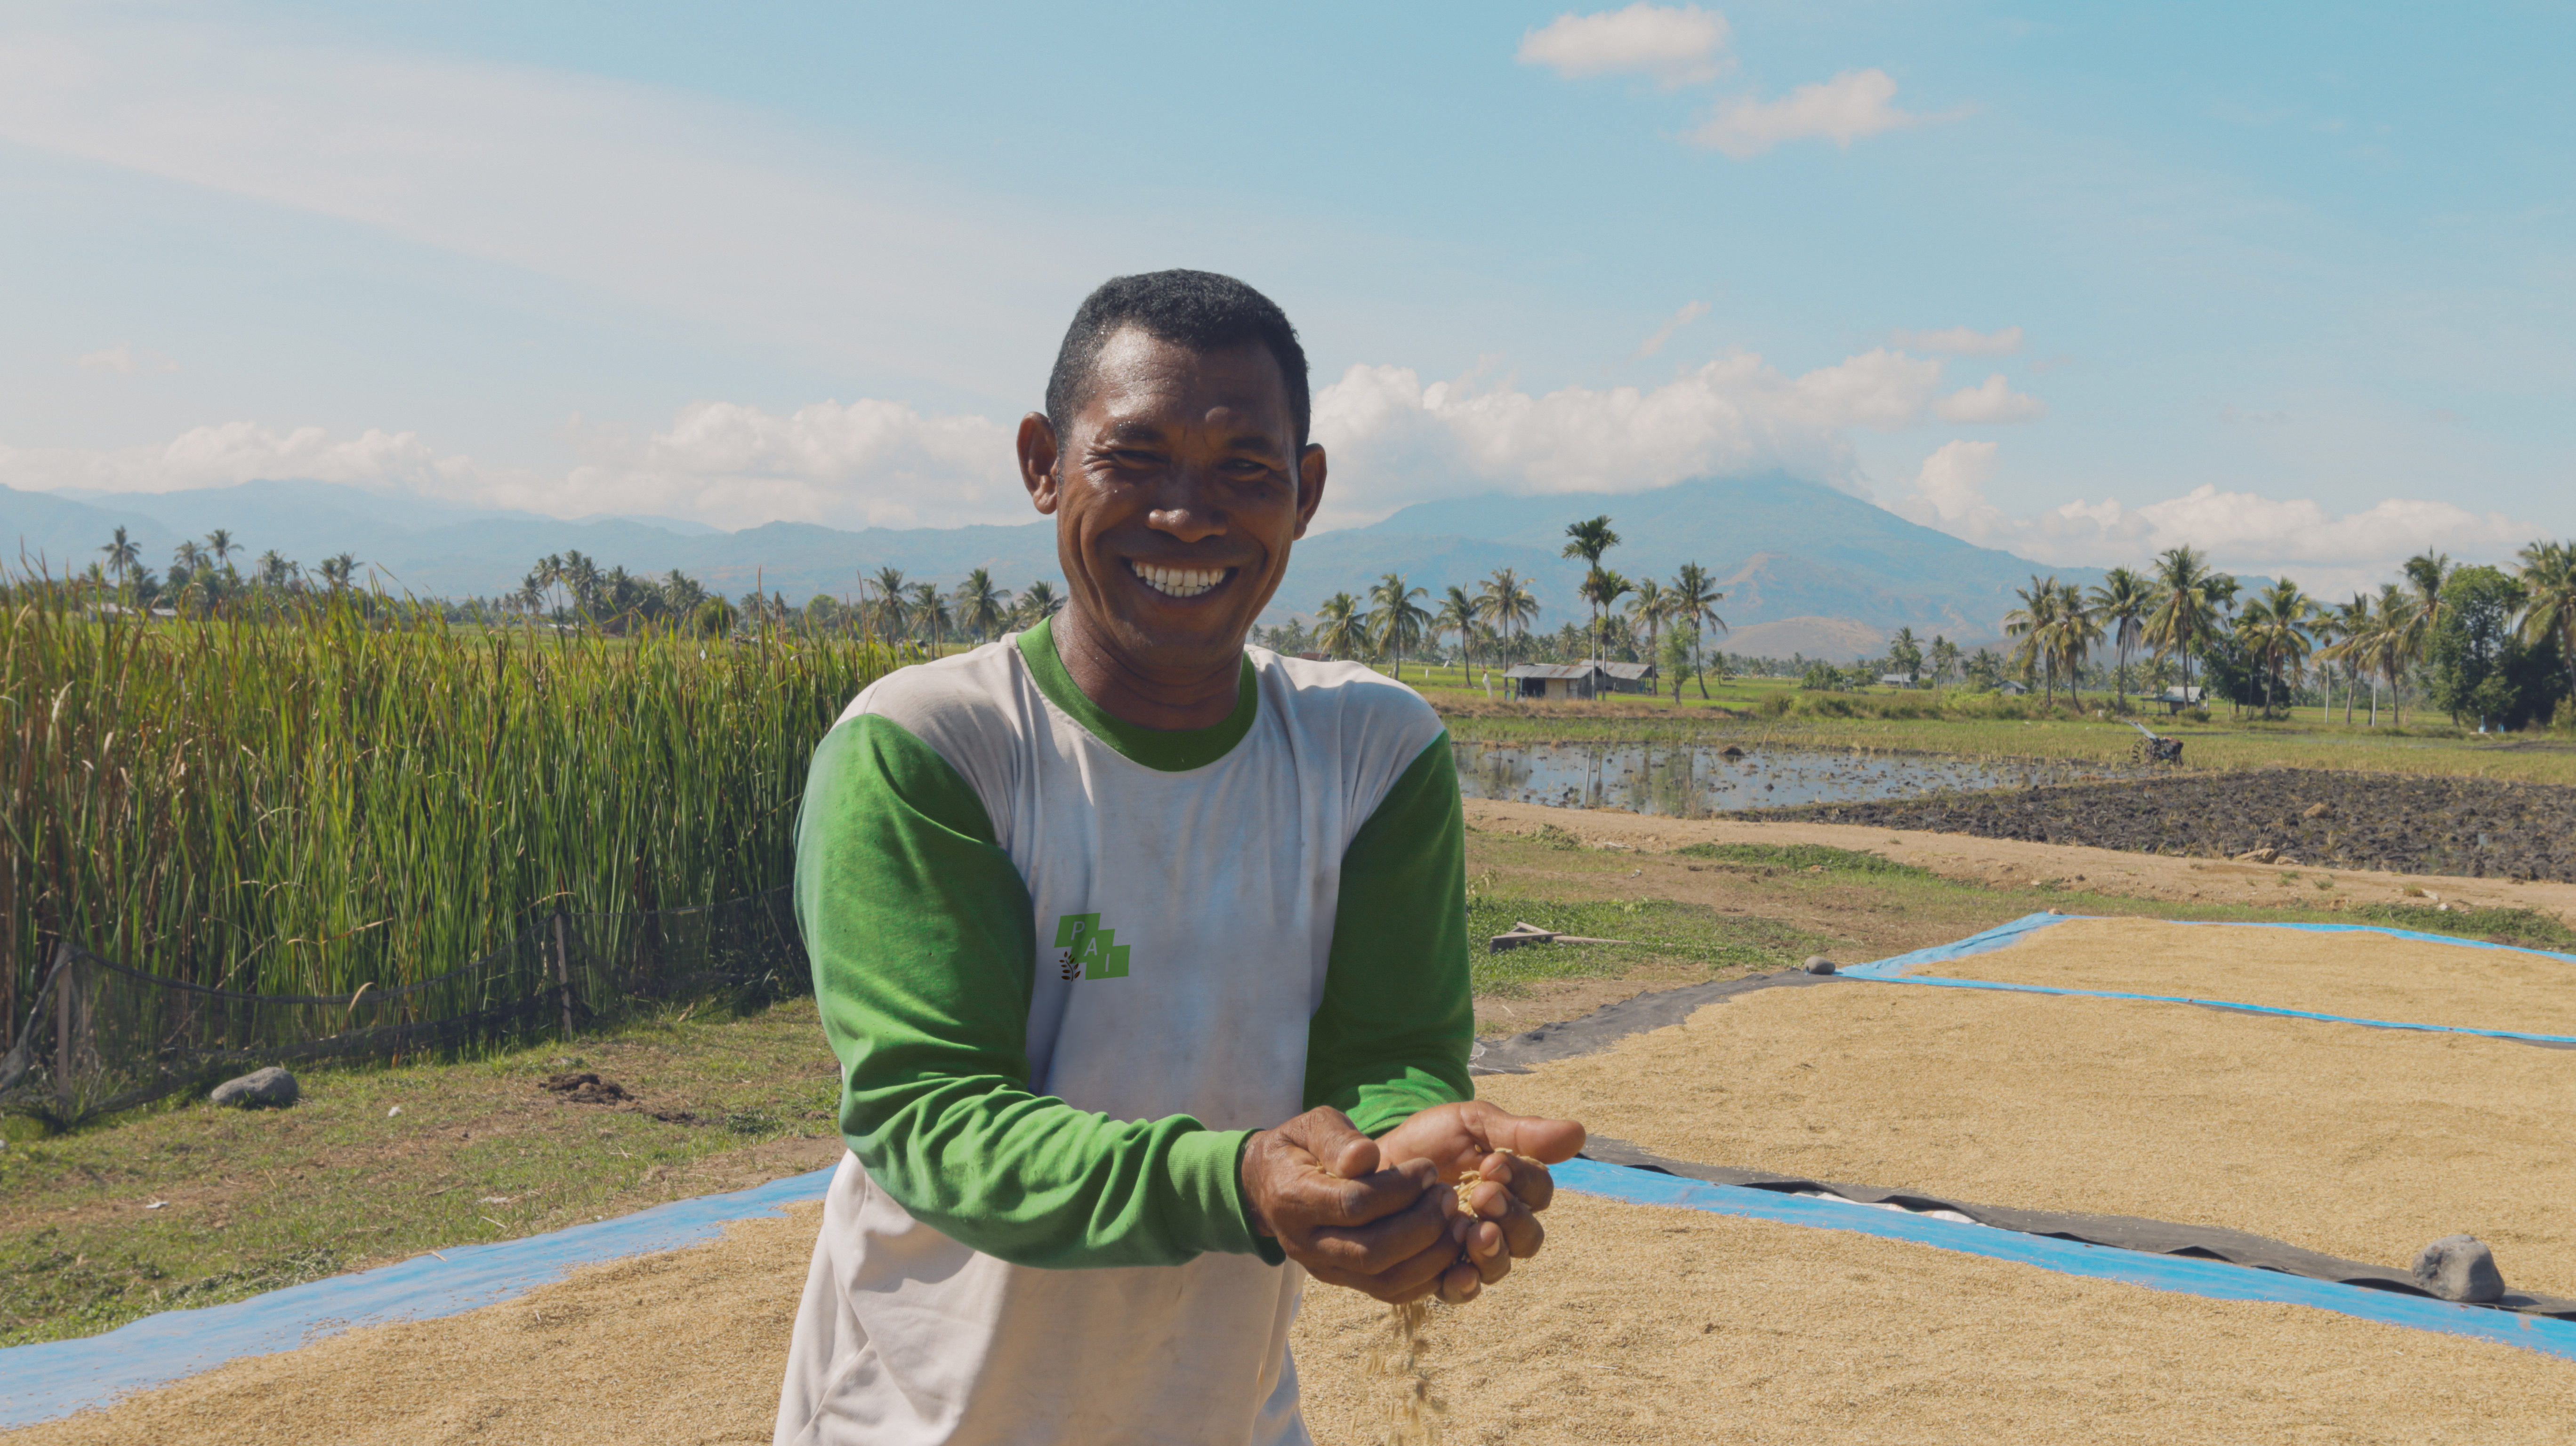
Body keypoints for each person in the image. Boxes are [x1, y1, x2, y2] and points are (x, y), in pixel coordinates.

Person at [775, 271, 1584, 1446]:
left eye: (1246, 471)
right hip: (924, 1416)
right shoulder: (931, 748)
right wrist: (1247, 1182)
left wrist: (1410, 1159)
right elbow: (933, 1116)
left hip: (1223, 1411)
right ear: (1043, 463)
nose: (1190, 514)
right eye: (1136, 458)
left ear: (1304, 494)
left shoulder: (1373, 754)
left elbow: (1392, 1056)